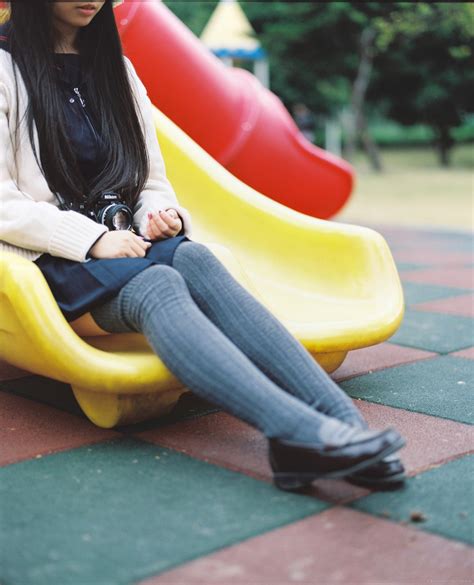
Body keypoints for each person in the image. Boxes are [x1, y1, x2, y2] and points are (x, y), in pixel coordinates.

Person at [0, 1, 406, 492]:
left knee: (193, 255)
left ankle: (344, 426)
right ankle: (296, 434)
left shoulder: (116, 70)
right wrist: (92, 240)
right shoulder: (5, 69)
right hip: (49, 260)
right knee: (159, 285)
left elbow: (149, 179)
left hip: (125, 242)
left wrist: (155, 214)